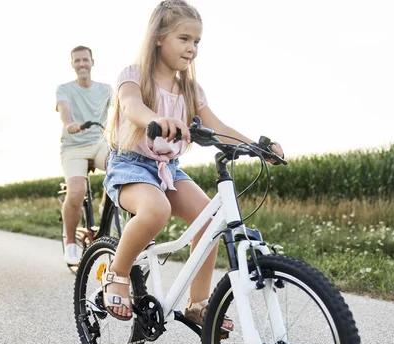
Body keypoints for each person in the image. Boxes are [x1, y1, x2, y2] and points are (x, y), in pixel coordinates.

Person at [102, 0, 284, 325]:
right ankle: (117, 273)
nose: (192, 48)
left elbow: (219, 128)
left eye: (197, 41)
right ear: (159, 37)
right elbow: (131, 107)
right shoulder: (134, 75)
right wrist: (156, 118)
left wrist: (257, 147)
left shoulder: (190, 89)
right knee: (156, 209)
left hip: (167, 170)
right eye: (184, 39)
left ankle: (198, 303)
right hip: (131, 165)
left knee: (209, 219)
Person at [56, 45, 113, 265]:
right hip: (74, 147)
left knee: (119, 166)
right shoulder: (65, 89)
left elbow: (121, 110)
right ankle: (71, 244)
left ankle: (105, 204)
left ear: (92, 62)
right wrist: (69, 123)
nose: (81, 64)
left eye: (85, 60)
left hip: (99, 143)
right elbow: (64, 109)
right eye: (77, 61)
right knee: (77, 190)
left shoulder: (106, 89)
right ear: (72, 64)